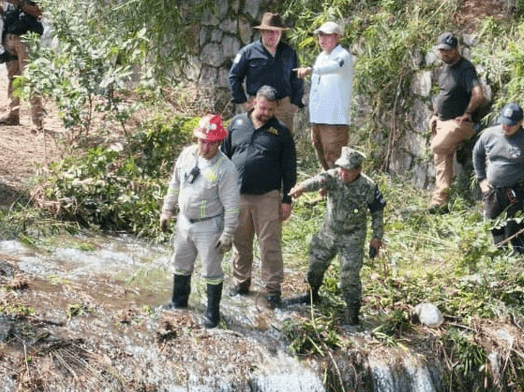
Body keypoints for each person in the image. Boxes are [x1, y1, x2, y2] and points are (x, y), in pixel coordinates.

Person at [159, 114, 241, 329]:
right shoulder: (187, 155)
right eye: (202, 141)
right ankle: (178, 304)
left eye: (211, 143)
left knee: (211, 271)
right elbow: (174, 184)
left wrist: (227, 234)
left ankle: (212, 315)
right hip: (184, 222)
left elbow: (232, 205)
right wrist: (167, 211)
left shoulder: (226, 169)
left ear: (219, 142)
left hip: (209, 226)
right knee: (181, 264)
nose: (205, 147)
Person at [287, 147, 385, 325]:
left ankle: (352, 312)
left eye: (348, 170)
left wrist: (376, 237)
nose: (344, 173)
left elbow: (377, 212)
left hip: (353, 237)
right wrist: (301, 187)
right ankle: (312, 295)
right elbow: (318, 180)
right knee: (315, 265)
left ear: (358, 170)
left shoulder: (368, 187)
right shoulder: (333, 176)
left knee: (349, 275)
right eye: (341, 168)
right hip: (328, 232)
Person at [222, 86, 297, 309]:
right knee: (240, 241)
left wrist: (287, 200)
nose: (265, 113)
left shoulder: (281, 132)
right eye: (263, 107)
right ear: (254, 102)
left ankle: (273, 289)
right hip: (237, 195)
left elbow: (289, 169)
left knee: (269, 244)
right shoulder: (236, 124)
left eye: (270, 110)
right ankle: (241, 282)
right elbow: (224, 159)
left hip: (267, 196)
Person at [472, 103, 524, 255]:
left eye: (511, 124)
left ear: (520, 122)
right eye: (504, 122)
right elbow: (477, 153)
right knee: (494, 227)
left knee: (516, 231)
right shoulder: (489, 135)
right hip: (493, 192)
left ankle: (520, 263)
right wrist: (481, 179)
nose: (506, 127)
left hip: (516, 192)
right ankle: (499, 260)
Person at [427, 31, 485, 214]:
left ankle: (468, 132)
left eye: (448, 51)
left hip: (459, 124)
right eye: (441, 50)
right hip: (443, 122)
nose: (444, 54)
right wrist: (436, 115)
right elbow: (445, 94)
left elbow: (479, 94)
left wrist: (467, 113)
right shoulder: (445, 68)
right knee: (441, 161)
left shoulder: (465, 69)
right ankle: (440, 203)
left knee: (437, 147)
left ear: (456, 49)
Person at [227, 12, 303, 134]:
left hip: (283, 107)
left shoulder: (289, 52)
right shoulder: (248, 52)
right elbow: (234, 77)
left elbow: (297, 77)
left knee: (283, 144)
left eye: (276, 32)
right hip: (257, 105)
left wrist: (294, 103)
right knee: (255, 141)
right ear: (261, 32)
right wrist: (243, 102)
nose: (272, 36)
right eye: (269, 32)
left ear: (281, 33)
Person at [294, 21, 354, 171]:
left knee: (335, 158)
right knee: (322, 156)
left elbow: (333, 67)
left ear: (338, 37)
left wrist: (310, 69)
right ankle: (327, 189)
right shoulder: (321, 57)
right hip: (318, 118)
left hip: (334, 120)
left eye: (328, 36)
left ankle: (339, 192)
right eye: (321, 35)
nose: (323, 39)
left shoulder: (343, 56)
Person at [0, 0, 44, 131]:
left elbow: (38, 11)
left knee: (30, 79)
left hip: (25, 40)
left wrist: (18, 2)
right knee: (13, 78)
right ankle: (12, 115)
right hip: (10, 38)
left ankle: (37, 122)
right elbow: (7, 15)